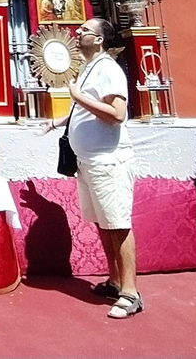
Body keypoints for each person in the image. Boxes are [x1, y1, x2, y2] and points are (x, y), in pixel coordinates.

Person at [37, 16, 140, 318]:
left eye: (85, 30)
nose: (78, 31)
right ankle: (115, 279)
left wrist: (77, 96)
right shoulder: (89, 68)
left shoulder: (109, 69)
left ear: (99, 40)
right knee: (102, 223)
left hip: (109, 160)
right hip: (89, 161)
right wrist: (57, 122)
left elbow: (116, 114)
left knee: (117, 224)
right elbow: (84, 110)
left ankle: (131, 292)